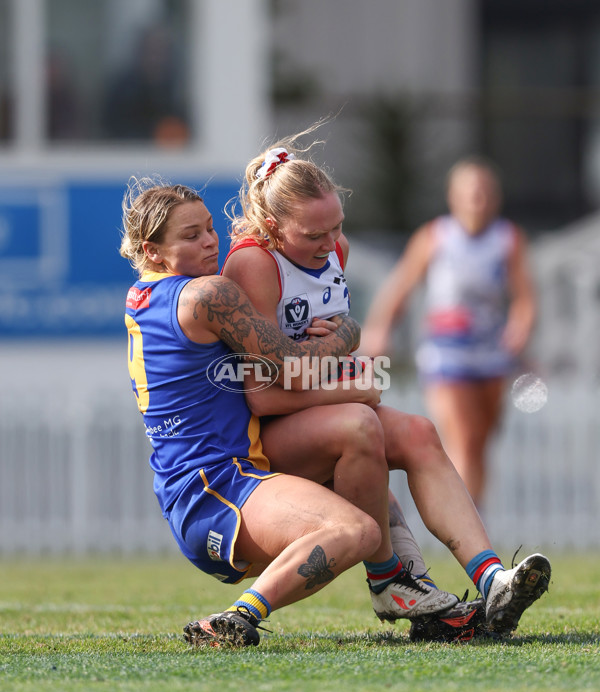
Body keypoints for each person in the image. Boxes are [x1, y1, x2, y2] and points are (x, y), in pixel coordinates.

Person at [220, 134, 550, 639]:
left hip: (315, 413)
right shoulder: (253, 264)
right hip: (260, 440)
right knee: (361, 420)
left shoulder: (336, 248)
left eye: (337, 227)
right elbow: (261, 395)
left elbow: (327, 351)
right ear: (271, 227)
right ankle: (388, 578)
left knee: (419, 431)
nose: (331, 245)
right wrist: (350, 386)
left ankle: (493, 579)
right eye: (313, 235)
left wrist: (344, 357)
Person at [120, 175, 464, 649]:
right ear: (152, 250)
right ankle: (238, 617)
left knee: (361, 443)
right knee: (356, 529)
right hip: (217, 491)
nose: (209, 242)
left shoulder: (146, 296)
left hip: (219, 483)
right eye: (190, 235)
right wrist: (348, 332)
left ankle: (412, 588)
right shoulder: (207, 294)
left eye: (207, 228)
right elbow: (291, 367)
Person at [361, 157, 536, 508]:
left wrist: (520, 328)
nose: (479, 202)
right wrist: (379, 329)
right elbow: (400, 287)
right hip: (445, 353)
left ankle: (474, 521)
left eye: (486, 194)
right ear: (454, 198)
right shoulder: (434, 237)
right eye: (472, 194)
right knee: (465, 440)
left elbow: (524, 298)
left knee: (480, 443)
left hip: (490, 353)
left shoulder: (508, 239)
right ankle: (468, 539)